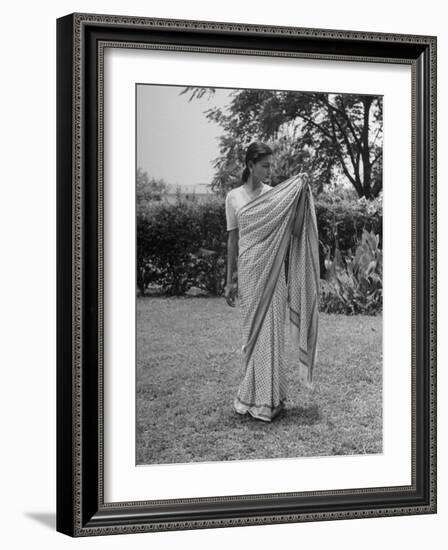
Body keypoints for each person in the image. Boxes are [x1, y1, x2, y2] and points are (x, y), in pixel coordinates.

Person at [224, 141, 320, 422]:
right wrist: (229, 279)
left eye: (270, 165)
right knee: (253, 332)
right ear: (250, 165)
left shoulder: (275, 196)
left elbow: (295, 227)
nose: (269, 170)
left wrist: (301, 191)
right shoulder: (234, 198)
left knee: (272, 331)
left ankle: (271, 398)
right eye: (265, 165)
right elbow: (232, 239)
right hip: (250, 269)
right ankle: (252, 396)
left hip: (274, 272)